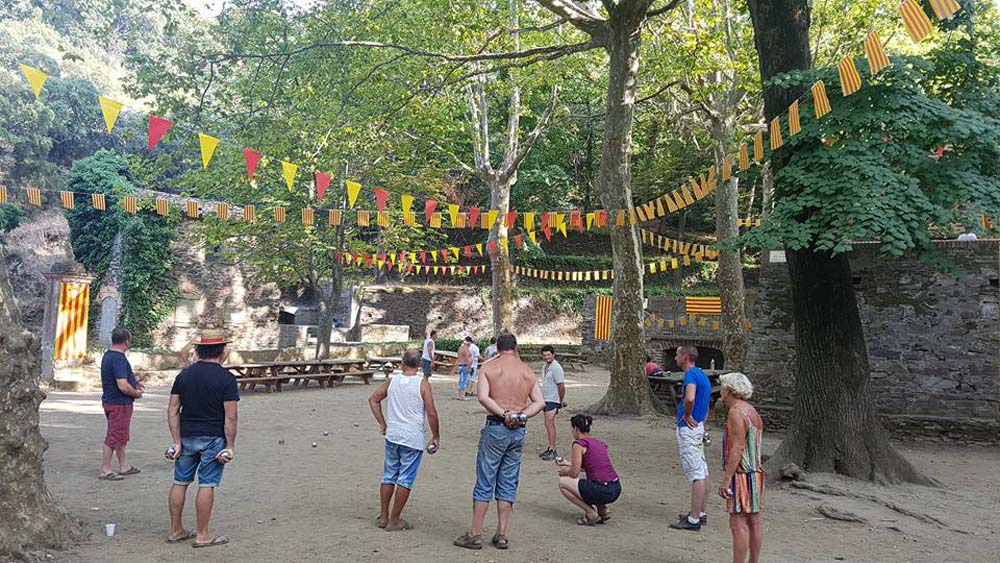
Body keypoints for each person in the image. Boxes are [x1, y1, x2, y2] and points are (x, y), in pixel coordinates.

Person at [453, 333, 545, 551]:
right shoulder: (526, 371)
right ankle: (502, 533)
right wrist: (521, 416)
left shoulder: (489, 367)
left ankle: (475, 533)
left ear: (497, 347)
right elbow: (540, 402)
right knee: (508, 480)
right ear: (515, 347)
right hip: (518, 432)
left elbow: (483, 397)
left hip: (496, 426)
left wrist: (504, 414)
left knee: (486, 479)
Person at [165, 329, 239, 548]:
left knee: (180, 481)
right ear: (222, 350)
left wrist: (176, 441)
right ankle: (202, 534)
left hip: (187, 436)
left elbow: (172, 410)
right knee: (206, 484)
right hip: (213, 438)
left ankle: (175, 529)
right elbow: (231, 417)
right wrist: (230, 446)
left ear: (198, 349)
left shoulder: (184, 375)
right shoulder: (226, 379)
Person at [368, 349, 441, 532]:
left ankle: (383, 516)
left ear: (402, 363)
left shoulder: (393, 381)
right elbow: (431, 412)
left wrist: (383, 424)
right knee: (405, 479)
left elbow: (373, 400)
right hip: (412, 437)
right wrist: (436, 435)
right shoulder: (422, 384)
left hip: (393, 435)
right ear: (419, 365)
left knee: (389, 475)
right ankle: (395, 519)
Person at [717, 372, 765, 563]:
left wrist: (727, 479)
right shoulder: (752, 411)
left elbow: (737, 448)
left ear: (729, 390)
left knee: (737, 523)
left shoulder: (736, 413)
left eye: (722, 387)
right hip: (756, 472)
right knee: (754, 520)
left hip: (742, 474)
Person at [669, 345, 711, 531]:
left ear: (685, 357)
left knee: (696, 474)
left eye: (678, 354)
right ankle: (700, 512)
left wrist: (686, 415)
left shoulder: (691, 376)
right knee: (702, 470)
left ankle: (693, 520)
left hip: (689, 428)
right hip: (698, 426)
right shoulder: (703, 375)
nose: (676, 358)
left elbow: (690, 398)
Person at [556, 414, 621, 525]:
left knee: (563, 483)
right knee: (591, 478)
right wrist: (567, 463)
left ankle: (591, 513)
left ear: (576, 428)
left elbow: (574, 473)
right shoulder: (600, 444)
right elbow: (592, 467)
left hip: (601, 491)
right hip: (615, 488)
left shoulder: (579, 444)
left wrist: (564, 471)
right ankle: (603, 510)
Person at [99, 327, 143, 481]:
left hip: (112, 401)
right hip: (119, 403)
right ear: (127, 341)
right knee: (114, 436)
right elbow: (122, 385)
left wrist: (134, 380)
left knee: (120, 435)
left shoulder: (108, 356)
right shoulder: (118, 358)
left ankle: (124, 465)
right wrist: (136, 393)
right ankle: (106, 469)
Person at [538, 345, 566, 461]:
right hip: (546, 398)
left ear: (553, 355)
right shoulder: (545, 367)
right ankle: (550, 447)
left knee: (550, 424)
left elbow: (561, 385)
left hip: (553, 399)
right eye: (544, 355)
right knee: (547, 424)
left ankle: (553, 449)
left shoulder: (556, 368)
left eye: (548, 354)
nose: (546, 357)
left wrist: (560, 400)